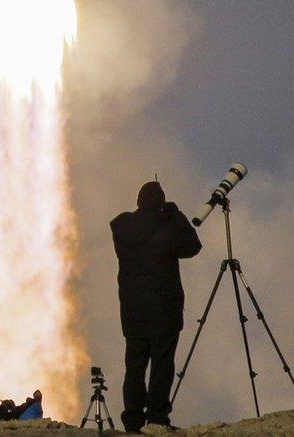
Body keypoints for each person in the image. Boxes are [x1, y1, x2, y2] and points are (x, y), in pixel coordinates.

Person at [110, 181, 202, 432]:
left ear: (139, 201)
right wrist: (177, 215)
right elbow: (193, 246)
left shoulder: (121, 228)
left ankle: (132, 420)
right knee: (162, 366)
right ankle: (157, 419)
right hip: (164, 311)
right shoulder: (168, 229)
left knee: (135, 366)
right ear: (161, 203)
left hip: (132, 312)